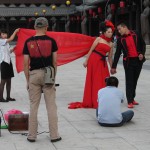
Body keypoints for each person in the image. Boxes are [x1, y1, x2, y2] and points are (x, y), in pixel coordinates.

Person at [23, 17, 61, 142]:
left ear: (34, 27)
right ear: (46, 27)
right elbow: (55, 62)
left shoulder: (28, 42)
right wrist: (53, 77)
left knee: (33, 106)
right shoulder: (52, 41)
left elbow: (25, 64)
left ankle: (32, 136)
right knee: (51, 106)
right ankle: (54, 135)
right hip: (48, 74)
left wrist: (28, 80)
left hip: (34, 75)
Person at [68, 20, 115, 109]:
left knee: (104, 80)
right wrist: (86, 60)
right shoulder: (99, 39)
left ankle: (101, 100)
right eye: (108, 32)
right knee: (95, 79)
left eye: (111, 32)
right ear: (104, 32)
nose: (110, 33)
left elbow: (109, 58)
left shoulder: (111, 44)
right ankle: (93, 100)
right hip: (94, 59)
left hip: (102, 62)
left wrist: (112, 67)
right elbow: (91, 50)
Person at [111, 21, 146, 108]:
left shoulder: (136, 33)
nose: (119, 31)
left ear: (125, 27)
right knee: (129, 81)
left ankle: (132, 98)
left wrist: (142, 53)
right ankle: (129, 101)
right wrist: (113, 66)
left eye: (120, 29)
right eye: (118, 30)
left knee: (135, 80)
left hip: (138, 61)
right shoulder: (120, 39)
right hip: (128, 63)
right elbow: (117, 53)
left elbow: (143, 44)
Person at [0, 28, 19, 102]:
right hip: (3, 62)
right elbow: (11, 39)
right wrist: (15, 31)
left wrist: (13, 49)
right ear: (0, 35)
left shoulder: (6, 43)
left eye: (5, 34)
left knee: (9, 80)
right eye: (3, 34)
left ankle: (8, 97)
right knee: (3, 81)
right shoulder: (1, 41)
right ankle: (1, 98)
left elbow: (8, 52)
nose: (4, 35)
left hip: (8, 62)